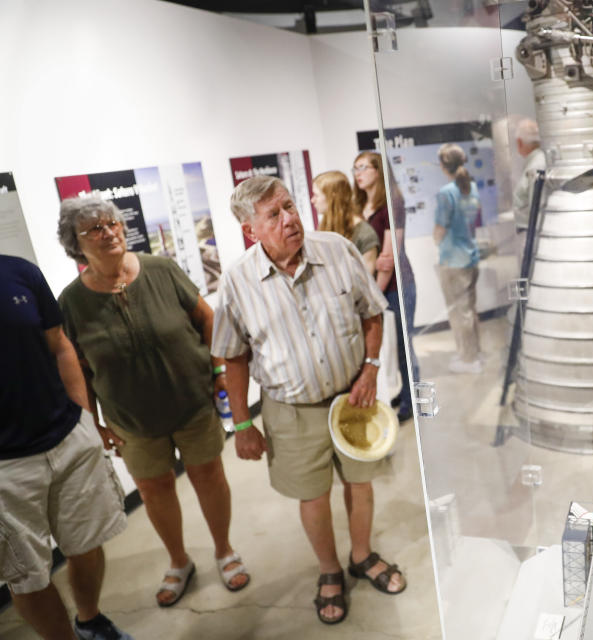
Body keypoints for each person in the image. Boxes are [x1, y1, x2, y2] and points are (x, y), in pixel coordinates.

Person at [212, 176, 407, 626]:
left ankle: (362, 555)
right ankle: (329, 570)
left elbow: (372, 312)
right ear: (251, 231)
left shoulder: (336, 250)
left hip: (353, 397)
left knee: (360, 482)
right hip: (290, 411)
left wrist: (372, 367)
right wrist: (242, 425)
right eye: (273, 215)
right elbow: (234, 357)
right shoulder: (238, 282)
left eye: (290, 206)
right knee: (312, 494)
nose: (289, 219)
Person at [57, 197, 249, 608]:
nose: (109, 232)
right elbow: (78, 368)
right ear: (75, 245)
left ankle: (224, 549)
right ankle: (179, 561)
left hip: (193, 404)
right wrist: (93, 422)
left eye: (112, 223)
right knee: (154, 489)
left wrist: (218, 372)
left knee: (209, 476)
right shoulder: (71, 302)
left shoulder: (161, 270)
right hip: (131, 420)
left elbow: (207, 318)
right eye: (94, 229)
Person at [1, 253, 132, 640]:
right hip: (6, 468)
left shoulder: (19, 272)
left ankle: (90, 619)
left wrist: (86, 421)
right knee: (26, 574)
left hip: (67, 439)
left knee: (87, 542)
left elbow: (59, 346)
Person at [353, 151, 415, 421]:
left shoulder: (393, 202)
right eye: (355, 168)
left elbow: (389, 258)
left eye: (363, 167)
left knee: (402, 345)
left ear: (378, 170)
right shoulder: (359, 207)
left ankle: (412, 401)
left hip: (395, 287)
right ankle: (402, 393)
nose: (358, 173)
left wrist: (373, 296)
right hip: (375, 288)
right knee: (385, 347)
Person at [434, 143, 482, 374]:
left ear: (444, 166)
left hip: (453, 261)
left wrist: (436, 241)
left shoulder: (446, 193)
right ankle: (473, 353)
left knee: (458, 312)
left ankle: (468, 359)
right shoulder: (471, 187)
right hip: (470, 257)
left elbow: (440, 228)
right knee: (469, 310)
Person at [313, 170, 380, 276]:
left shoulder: (365, 234)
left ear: (332, 197)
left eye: (316, 195)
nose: (313, 200)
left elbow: (366, 283)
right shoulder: (325, 226)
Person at [512, 118, 547, 230]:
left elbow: (537, 210)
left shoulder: (536, 166)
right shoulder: (536, 162)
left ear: (519, 142)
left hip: (530, 233)